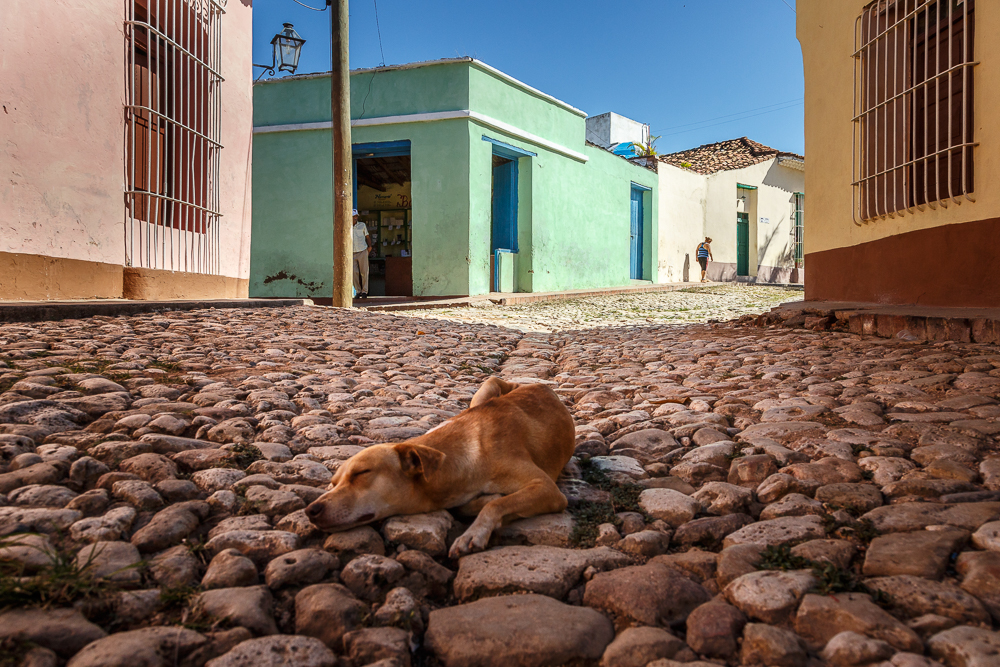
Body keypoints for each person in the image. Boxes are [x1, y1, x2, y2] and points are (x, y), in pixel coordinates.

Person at [351, 209, 372, 298]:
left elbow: (367, 236)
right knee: (354, 272)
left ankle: (364, 291)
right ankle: (358, 291)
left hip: (362, 250)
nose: (355, 218)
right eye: (354, 216)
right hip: (351, 252)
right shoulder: (347, 226)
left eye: (356, 216)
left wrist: (369, 246)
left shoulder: (362, 225)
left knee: (364, 272)